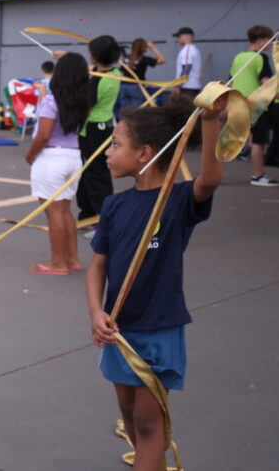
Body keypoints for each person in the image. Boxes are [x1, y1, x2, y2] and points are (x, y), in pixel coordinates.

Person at [86, 95, 225, 471]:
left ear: (145, 152)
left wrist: (211, 121)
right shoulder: (115, 206)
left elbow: (210, 178)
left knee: (149, 426)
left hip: (159, 330)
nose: (108, 152)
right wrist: (97, 312)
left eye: (115, 144)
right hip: (120, 331)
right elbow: (97, 267)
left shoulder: (177, 200)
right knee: (130, 417)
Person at [24, 54, 92, 275]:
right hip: (73, 158)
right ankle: (71, 259)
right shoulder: (83, 100)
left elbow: (43, 135)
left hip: (51, 159)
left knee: (54, 213)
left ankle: (58, 263)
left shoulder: (51, 101)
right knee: (64, 211)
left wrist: (30, 156)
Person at [77, 36, 123, 226]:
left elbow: (84, 105)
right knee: (89, 172)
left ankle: (102, 220)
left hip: (93, 130)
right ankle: (88, 214)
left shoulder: (98, 82)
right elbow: (91, 70)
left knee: (96, 175)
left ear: (95, 56)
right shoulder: (116, 72)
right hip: (105, 127)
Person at [228, 25, 277, 187]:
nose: (271, 44)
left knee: (239, 140)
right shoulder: (260, 58)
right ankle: (258, 175)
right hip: (257, 106)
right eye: (270, 41)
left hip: (239, 104)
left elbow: (231, 81)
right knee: (259, 141)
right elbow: (266, 83)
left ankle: (214, 173)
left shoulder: (238, 57)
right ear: (261, 40)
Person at [122, 38, 166, 109]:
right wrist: (153, 47)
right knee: (136, 111)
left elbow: (121, 70)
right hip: (137, 86)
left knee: (124, 111)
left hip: (124, 86)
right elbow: (162, 60)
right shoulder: (143, 59)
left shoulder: (125, 58)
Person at [172, 27, 202, 100]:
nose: (177, 39)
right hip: (192, 86)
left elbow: (186, 68)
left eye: (179, 37)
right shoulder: (193, 49)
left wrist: (178, 86)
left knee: (184, 110)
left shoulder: (188, 49)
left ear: (187, 36)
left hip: (187, 87)